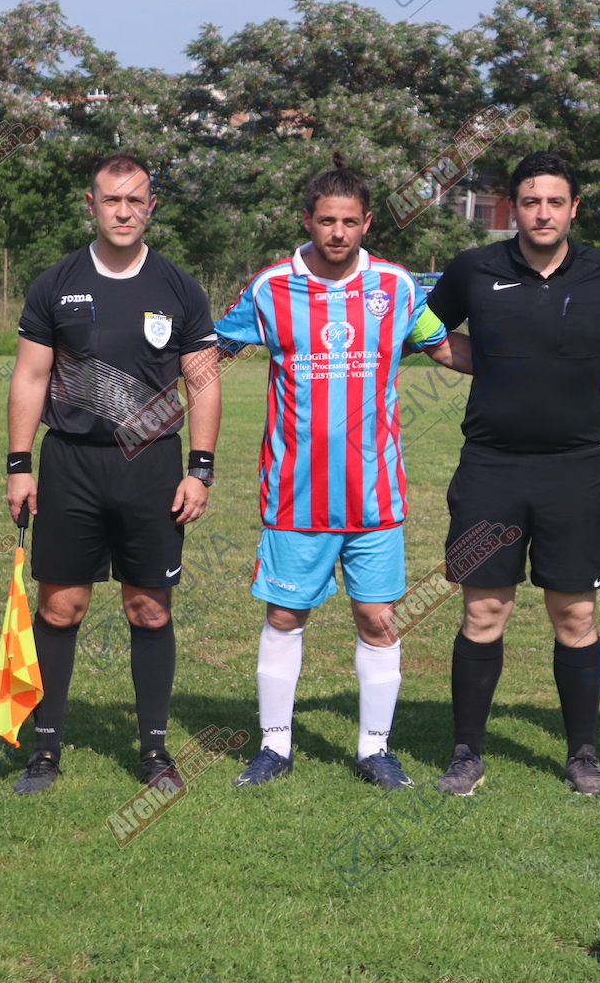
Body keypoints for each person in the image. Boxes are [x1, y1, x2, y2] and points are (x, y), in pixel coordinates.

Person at [214, 153, 463, 791]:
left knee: (378, 620)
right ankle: (274, 745)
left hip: (375, 497)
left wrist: (527, 359)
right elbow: (211, 351)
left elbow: (443, 349)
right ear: (307, 219)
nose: (338, 232)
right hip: (295, 497)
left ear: (367, 223)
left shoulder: (397, 287)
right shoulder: (270, 288)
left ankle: (374, 750)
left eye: (350, 222)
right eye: (326, 220)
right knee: (284, 618)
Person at [422, 151, 600, 797]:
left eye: (555, 202)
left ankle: (583, 755)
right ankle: (466, 753)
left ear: (573, 208)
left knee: (575, 614)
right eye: (531, 202)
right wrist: (486, 363)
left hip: (574, 471)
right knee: (484, 612)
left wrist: (594, 388)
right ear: (514, 208)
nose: (543, 213)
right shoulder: (474, 268)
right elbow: (426, 330)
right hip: (490, 468)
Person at [6, 152, 222, 794]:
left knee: (148, 609)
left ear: (151, 206)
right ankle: (45, 750)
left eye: (134, 200)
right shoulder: (55, 283)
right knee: (61, 606)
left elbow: (203, 382)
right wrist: (19, 465)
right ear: (91, 205)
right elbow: (30, 376)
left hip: (151, 468)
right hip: (70, 464)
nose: (123, 212)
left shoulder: (180, 287)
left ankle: (154, 752)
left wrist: (200, 469)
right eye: (111, 200)